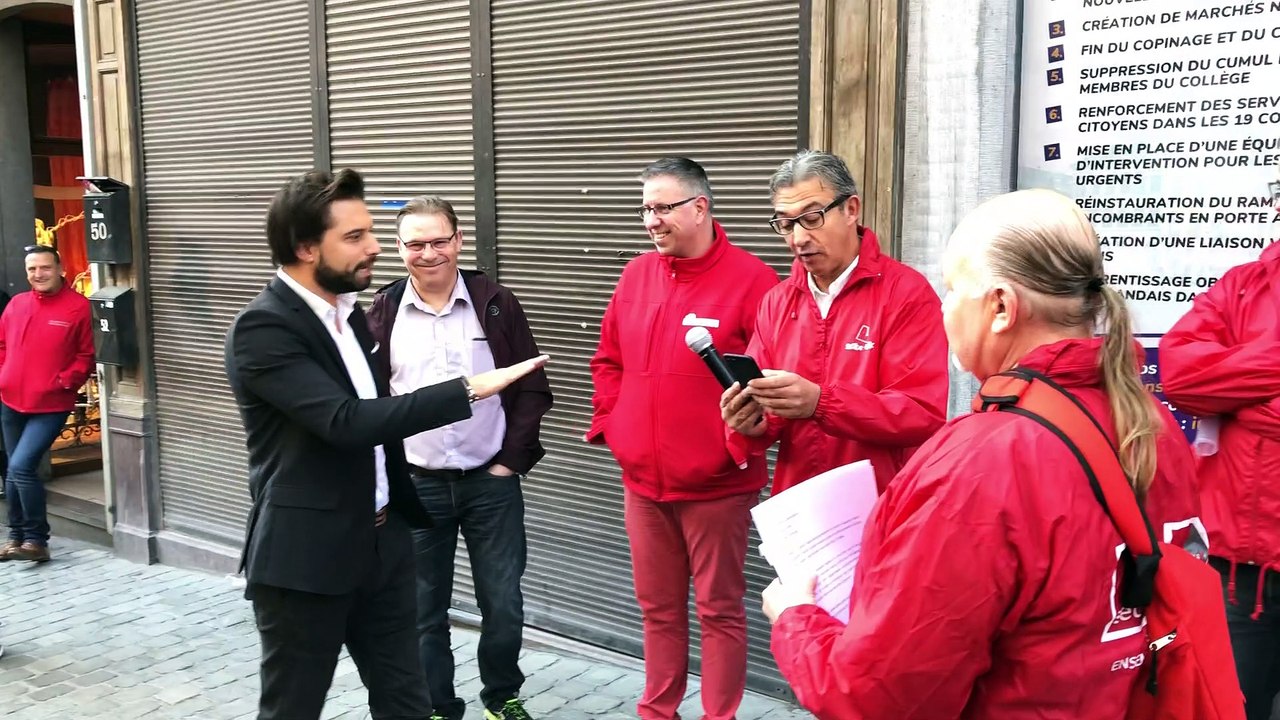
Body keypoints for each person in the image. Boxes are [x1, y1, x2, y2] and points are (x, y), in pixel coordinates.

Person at [758, 189, 1203, 719]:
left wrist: (796, 618)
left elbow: (876, 696)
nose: (944, 308)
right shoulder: (1150, 423)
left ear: (1000, 307)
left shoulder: (980, 464)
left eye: (952, 291)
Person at [224, 169, 547, 720]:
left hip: (384, 541)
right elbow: (348, 422)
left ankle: (495, 697)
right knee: (293, 708)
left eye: (371, 232)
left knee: (407, 703)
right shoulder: (265, 328)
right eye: (355, 237)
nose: (375, 247)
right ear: (306, 247)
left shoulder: (351, 317)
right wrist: (468, 387)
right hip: (310, 556)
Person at [587, 157, 778, 720]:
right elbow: (608, 361)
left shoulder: (754, 282)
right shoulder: (637, 275)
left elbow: (768, 388)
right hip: (642, 482)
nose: (651, 220)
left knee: (719, 610)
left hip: (717, 486)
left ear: (700, 208)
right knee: (658, 610)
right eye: (645, 208)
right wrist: (616, 429)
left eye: (663, 207)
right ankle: (657, 711)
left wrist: (737, 448)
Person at [367, 196, 553, 720]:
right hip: (418, 486)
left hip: (489, 484)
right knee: (424, 611)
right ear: (399, 249)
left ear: (459, 240)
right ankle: (438, 707)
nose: (429, 254)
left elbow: (532, 386)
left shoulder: (494, 303)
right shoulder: (381, 312)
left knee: (504, 605)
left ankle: (501, 697)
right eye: (415, 244)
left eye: (439, 241)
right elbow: (370, 405)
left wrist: (509, 463)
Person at [720, 150, 947, 496]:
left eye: (811, 218)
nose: (797, 238)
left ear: (851, 210)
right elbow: (769, 418)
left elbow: (921, 413)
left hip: (883, 503)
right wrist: (748, 423)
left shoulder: (906, 294)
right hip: (801, 504)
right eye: (785, 223)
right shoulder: (778, 302)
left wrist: (821, 403)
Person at [1159, 239, 1280, 720]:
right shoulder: (1243, 285)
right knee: (1226, 709)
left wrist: (1241, 396)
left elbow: (1209, 381)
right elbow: (1183, 378)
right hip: (1239, 573)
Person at [0, 246, 94, 563]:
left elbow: (87, 355)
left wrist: (65, 382)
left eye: (45, 268)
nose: (38, 274)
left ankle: (37, 540)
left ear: (60, 268)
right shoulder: (16, 304)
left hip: (50, 404)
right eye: (32, 270)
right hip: (10, 400)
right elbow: (2, 345)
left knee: (21, 467)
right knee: (13, 472)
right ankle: (16, 537)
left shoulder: (78, 307)